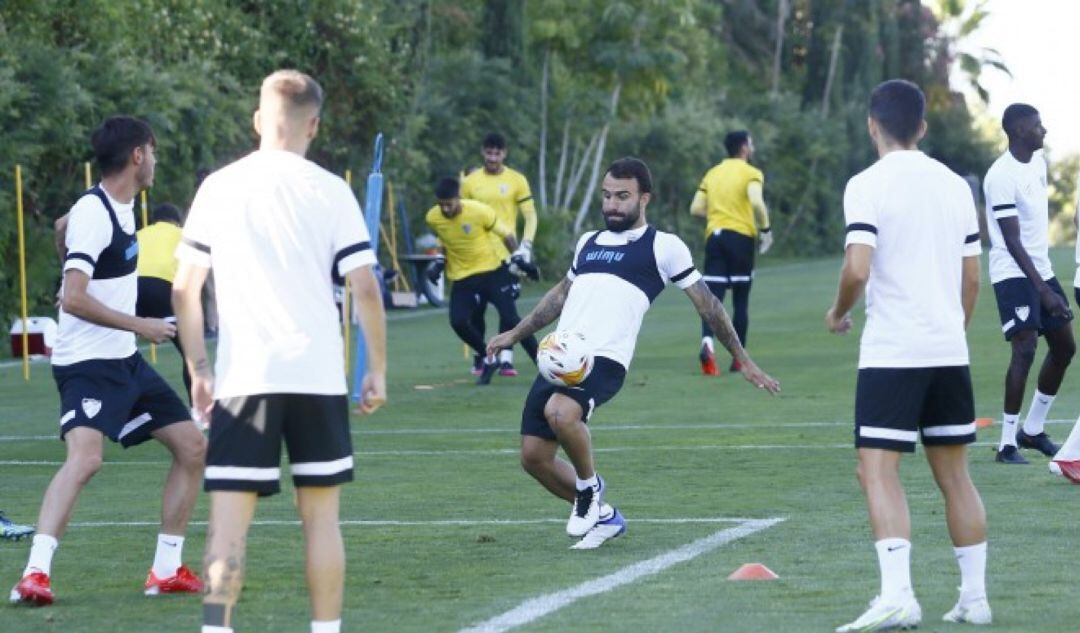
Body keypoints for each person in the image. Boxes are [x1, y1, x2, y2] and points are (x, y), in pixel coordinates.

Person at [172, 69, 387, 633]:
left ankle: (216, 627)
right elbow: (364, 287)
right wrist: (378, 371)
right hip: (317, 376)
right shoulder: (331, 189)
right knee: (320, 522)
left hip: (246, 378)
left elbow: (184, 289)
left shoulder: (218, 186)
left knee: (227, 526)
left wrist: (198, 369)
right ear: (314, 124)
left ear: (258, 120)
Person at [488, 157, 780, 549]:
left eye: (622, 197)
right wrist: (515, 333)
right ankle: (604, 515)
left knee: (561, 412)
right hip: (562, 356)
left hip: (603, 358)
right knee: (533, 457)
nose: (612, 204)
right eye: (607, 196)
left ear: (645, 198)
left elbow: (709, 304)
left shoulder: (664, 246)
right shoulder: (588, 242)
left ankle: (590, 488)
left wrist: (743, 359)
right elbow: (560, 294)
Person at [10, 116, 206, 607]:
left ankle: (166, 569)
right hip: (87, 364)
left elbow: (62, 230)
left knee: (192, 448)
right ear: (138, 155)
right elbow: (73, 300)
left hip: (124, 363)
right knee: (86, 460)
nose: (156, 161)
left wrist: (66, 254)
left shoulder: (115, 209)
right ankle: (34, 574)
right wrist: (142, 325)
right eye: (154, 152)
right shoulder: (96, 211)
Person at [826, 80, 990, 631]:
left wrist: (838, 311)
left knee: (876, 469)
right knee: (956, 476)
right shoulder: (954, 186)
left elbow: (857, 267)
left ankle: (898, 595)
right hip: (948, 348)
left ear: (872, 124)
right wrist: (952, 330)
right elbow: (972, 277)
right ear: (921, 127)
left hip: (894, 351)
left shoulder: (865, 184)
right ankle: (975, 599)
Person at [984, 103, 1074, 464]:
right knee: (1024, 349)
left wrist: (1046, 282)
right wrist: (1043, 291)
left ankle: (1032, 431)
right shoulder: (1000, 176)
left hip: (1040, 268)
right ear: (1019, 131)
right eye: (1037, 126)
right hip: (1012, 271)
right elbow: (1010, 241)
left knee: (1065, 347)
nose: (1044, 131)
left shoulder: (1038, 163)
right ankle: (1008, 444)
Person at [426, 177, 538, 385]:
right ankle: (489, 357)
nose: (445, 209)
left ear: (458, 198)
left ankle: (542, 364)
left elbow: (506, 235)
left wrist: (518, 258)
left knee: (512, 319)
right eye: (440, 204)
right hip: (462, 277)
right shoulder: (433, 217)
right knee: (458, 321)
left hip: (492, 272)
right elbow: (444, 238)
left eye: (448, 204)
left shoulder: (478, 211)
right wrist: (439, 262)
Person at [690, 131, 773, 375]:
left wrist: (718, 216)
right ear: (745, 148)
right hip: (741, 239)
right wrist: (766, 230)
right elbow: (757, 203)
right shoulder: (751, 173)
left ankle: (707, 345)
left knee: (711, 300)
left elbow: (695, 208)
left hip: (714, 237)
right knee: (740, 300)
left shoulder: (712, 173)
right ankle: (738, 359)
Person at [460, 132, 539, 377]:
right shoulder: (470, 182)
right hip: (477, 256)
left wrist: (525, 245)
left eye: (498, 153)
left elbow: (530, 215)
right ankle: (481, 357)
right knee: (477, 310)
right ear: (483, 152)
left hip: (507, 255)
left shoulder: (516, 180)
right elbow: (461, 217)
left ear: (504, 154)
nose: (493, 157)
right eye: (489, 152)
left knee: (508, 311)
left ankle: (506, 359)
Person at [135, 202, 191, 399]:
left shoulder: (140, 234)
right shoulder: (182, 234)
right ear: (177, 222)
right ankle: (199, 412)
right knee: (190, 354)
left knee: (120, 354)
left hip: (130, 289)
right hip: (162, 287)